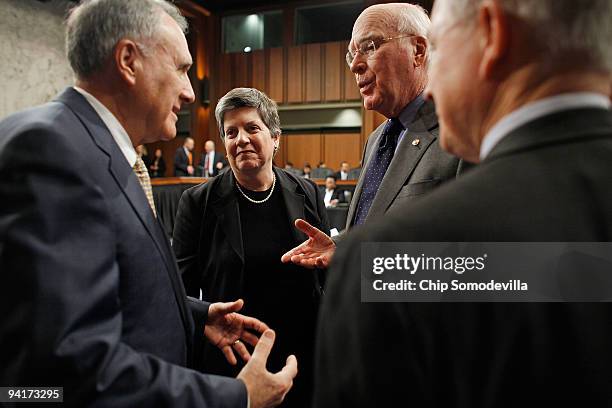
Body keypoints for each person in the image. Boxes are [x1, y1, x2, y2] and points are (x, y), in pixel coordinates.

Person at [314, 0, 612, 407]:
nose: (432, 85)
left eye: (440, 44)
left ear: (492, 33)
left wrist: (365, 267)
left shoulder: (468, 148)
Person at [0, 1, 297, 407]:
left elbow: (110, 287)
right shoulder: (51, 150)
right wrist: (236, 396)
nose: (191, 91)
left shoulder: (98, 150)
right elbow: (65, 369)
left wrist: (194, 317)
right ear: (128, 60)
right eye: (180, 68)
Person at [173, 87, 329, 408]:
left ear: (275, 138)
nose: (240, 139)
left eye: (251, 128)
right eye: (231, 132)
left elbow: (326, 277)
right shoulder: (198, 202)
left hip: (302, 357)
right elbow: (180, 294)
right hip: (234, 359)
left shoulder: (308, 192)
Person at [282, 3, 464, 269]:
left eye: (370, 47)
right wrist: (342, 246)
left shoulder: (462, 132)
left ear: (418, 50)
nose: (355, 65)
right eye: (351, 54)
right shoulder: (376, 139)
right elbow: (375, 221)